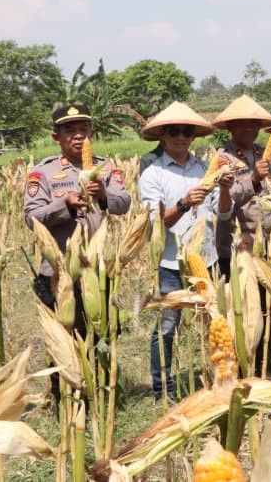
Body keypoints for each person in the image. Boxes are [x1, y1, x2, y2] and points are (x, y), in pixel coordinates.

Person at [137, 102, 232, 400]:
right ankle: (162, 390)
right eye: (174, 131)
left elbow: (224, 214)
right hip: (169, 264)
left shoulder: (205, 169)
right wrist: (183, 203)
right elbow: (153, 224)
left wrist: (226, 188)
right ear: (163, 136)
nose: (181, 136)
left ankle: (218, 380)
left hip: (207, 260)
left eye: (186, 131)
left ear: (193, 136)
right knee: (166, 327)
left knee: (215, 323)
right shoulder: (152, 174)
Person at [24, 105, 131, 334]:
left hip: (97, 268)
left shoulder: (107, 168)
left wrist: (103, 194)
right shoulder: (43, 172)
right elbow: (31, 218)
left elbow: (124, 204)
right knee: (63, 341)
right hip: (59, 271)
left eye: (84, 129)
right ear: (56, 137)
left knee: (101, 337)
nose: (79, 135)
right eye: (70, 130)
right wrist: (65, 206)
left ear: (92, 133)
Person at [211, 95, 271, 281]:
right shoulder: (223, 158)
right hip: (238, 246)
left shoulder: (265, 154)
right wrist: (254, 179)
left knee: (267, 305)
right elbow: (225, 201)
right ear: (231, 127)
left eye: (253, 123)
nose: (249, 128)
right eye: (242, 123)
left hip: (268, 244)